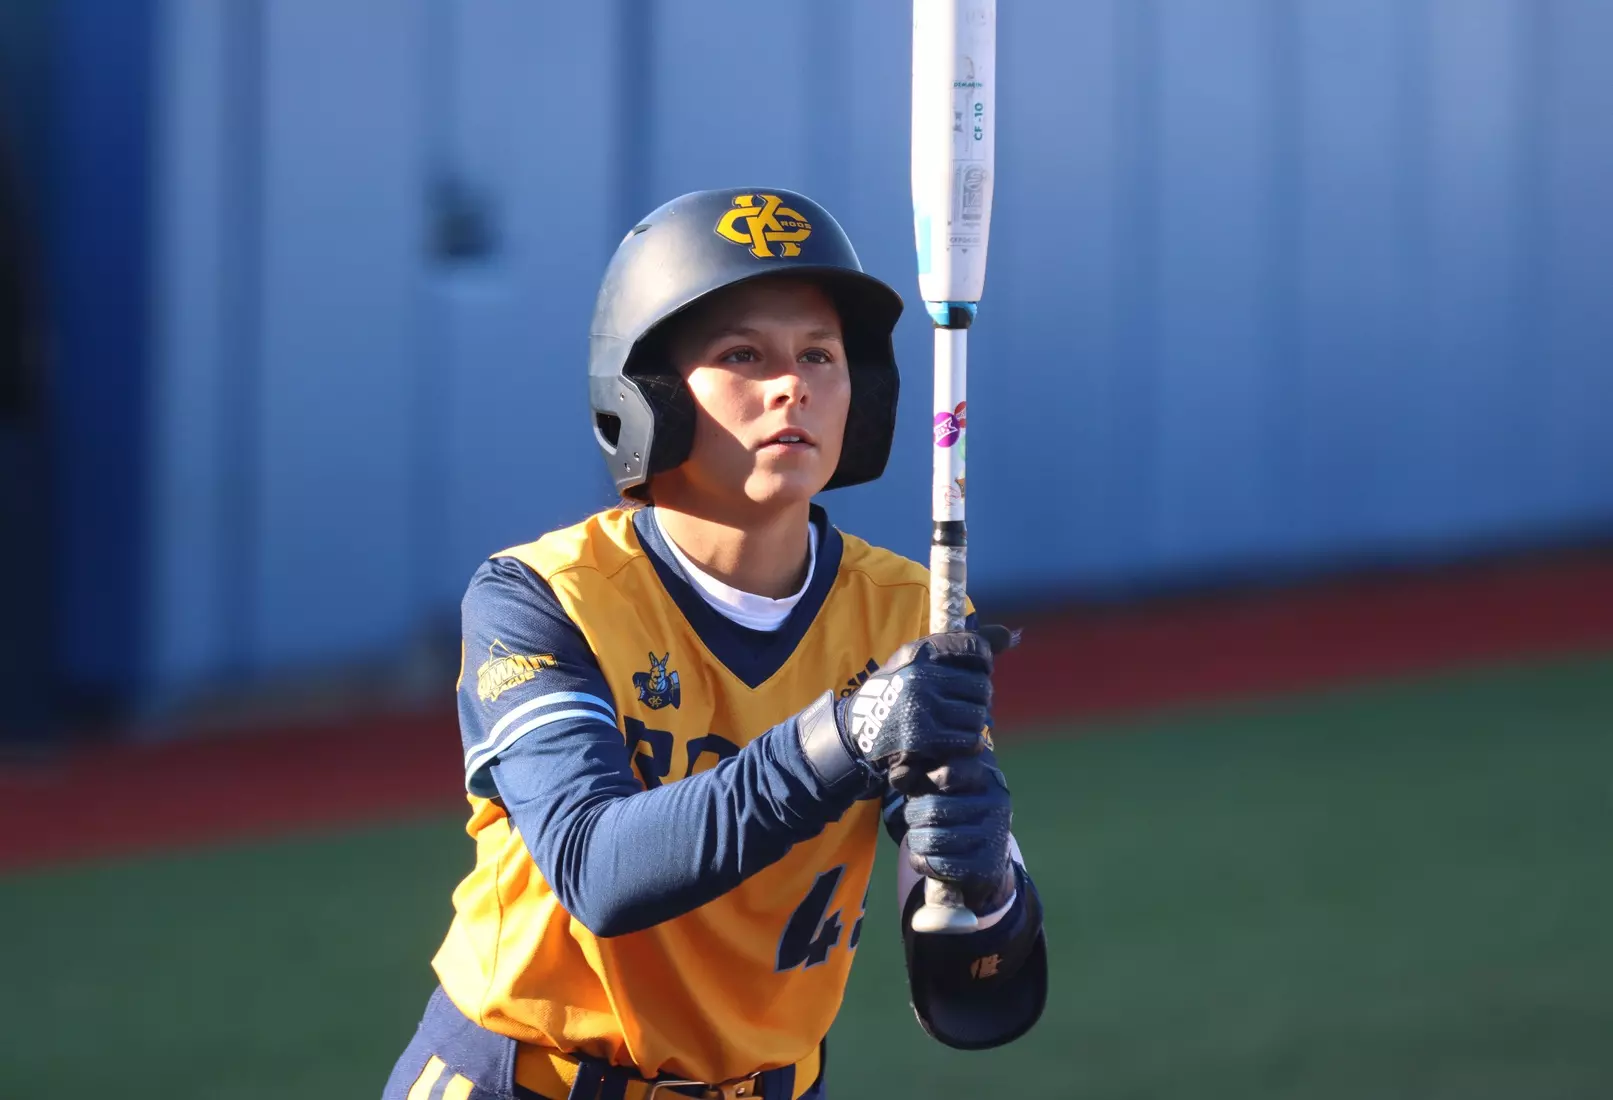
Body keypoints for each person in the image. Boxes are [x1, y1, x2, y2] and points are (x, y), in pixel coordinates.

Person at [383, 188, 1047, 1100]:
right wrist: (847, 735)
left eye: (819, 354)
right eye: (744, 356)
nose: (794, 385)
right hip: (525, 1081)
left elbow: (970, 991)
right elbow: (597, 869)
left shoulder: (910, 610)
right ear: (647, 395)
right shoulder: (545, 596)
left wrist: (984, 880)